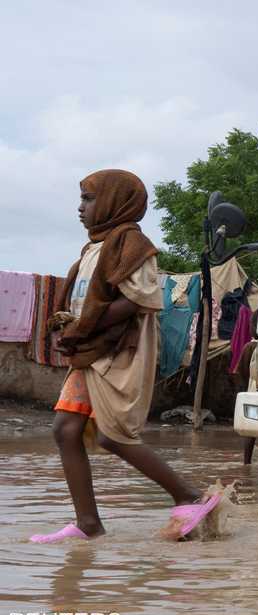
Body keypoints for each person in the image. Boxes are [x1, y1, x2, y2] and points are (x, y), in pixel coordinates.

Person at [31, 170, 222, 543]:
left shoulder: (131, 244)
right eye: (82, 199)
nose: (80, 208)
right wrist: (75, 329)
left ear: (114, 202)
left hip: (118, 350)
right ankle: (88, 524)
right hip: (91, 351)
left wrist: (86, 327)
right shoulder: (93, 249)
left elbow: (140, 298)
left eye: (88, 199)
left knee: (112, 436)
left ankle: (189, 495)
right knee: (66, 430)